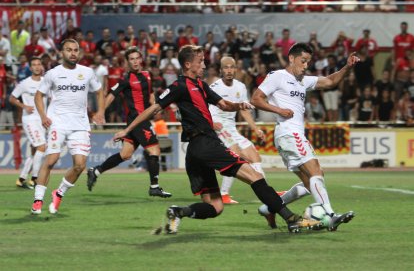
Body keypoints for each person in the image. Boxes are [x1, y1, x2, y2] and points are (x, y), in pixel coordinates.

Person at [113, 45, 321, 234]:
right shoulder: (179, 86)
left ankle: (179, 212)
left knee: (216, 207)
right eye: (200, 61)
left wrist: (240, 105)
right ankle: (292, 219)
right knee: (255, 176)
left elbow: (223, 104)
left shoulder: (201, 86)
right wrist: (127, 129)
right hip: (205, 144)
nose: (204, 64)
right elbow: (153, 108)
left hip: (195, 151)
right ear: (188, 64)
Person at [251, 43, 356, 231]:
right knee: (315, 171)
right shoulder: (277, 76)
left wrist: (347, 67)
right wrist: (279, 110)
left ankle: (269, 207)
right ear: (291, 58)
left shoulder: (303, 81)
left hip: (290, 136)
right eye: (303, 61)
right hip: (289, 133)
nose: (306, 65)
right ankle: (330, 216)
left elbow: (330, 82)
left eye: (308, 62)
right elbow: (256, 98)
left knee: (310, 183)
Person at [31, 39, 105, 215]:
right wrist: (43, 116)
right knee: (51, 159)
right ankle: (38, 200)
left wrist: (100, 111)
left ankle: (59, 193)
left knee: (80, 166)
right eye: (69, 50)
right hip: (58, 123)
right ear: (62, 53)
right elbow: (38, 96)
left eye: (76, 50)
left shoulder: (87, 72)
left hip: (80, 125)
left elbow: (100, 91)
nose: (73, 53)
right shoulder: (52, 74)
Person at [86, 46, 172, 198]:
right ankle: (154, 187)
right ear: (127, 62)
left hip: (143, 118)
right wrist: (100, 112)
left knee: (125, 154)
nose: (135, 61)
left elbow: (150, 94)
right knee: (154, 150)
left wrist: (155, 107)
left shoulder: (148, 75)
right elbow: (111, 95)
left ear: (141, 59)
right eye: (131, 59)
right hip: (137, 120)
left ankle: (96, 171)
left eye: (137, 58)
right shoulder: (125, 80)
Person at [209, 56, 265, 204]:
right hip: (219, 126)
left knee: (254, 156)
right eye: (225, 67)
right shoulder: (215, 87)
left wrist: (256, 129)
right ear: (221, 70)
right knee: (236, 154)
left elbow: (244, 111)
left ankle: (266, 191)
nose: (229, 70)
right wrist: (212, 123)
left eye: (231, 67)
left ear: (235, 69)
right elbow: (206, 109)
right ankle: (223, 194)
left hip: (231, 128)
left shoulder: (240, 87)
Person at [10, 57, 46, 189]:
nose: (37, 67)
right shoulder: (24, 83)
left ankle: (21, 179)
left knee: (34, 151)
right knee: (42, 147)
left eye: (39, 64)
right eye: (34, 65)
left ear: (42, 66)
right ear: (30, 68)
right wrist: (24, 106)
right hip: (30, 120)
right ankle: (35, 179)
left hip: (42, 120)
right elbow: (12, 98)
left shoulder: (45, 83)